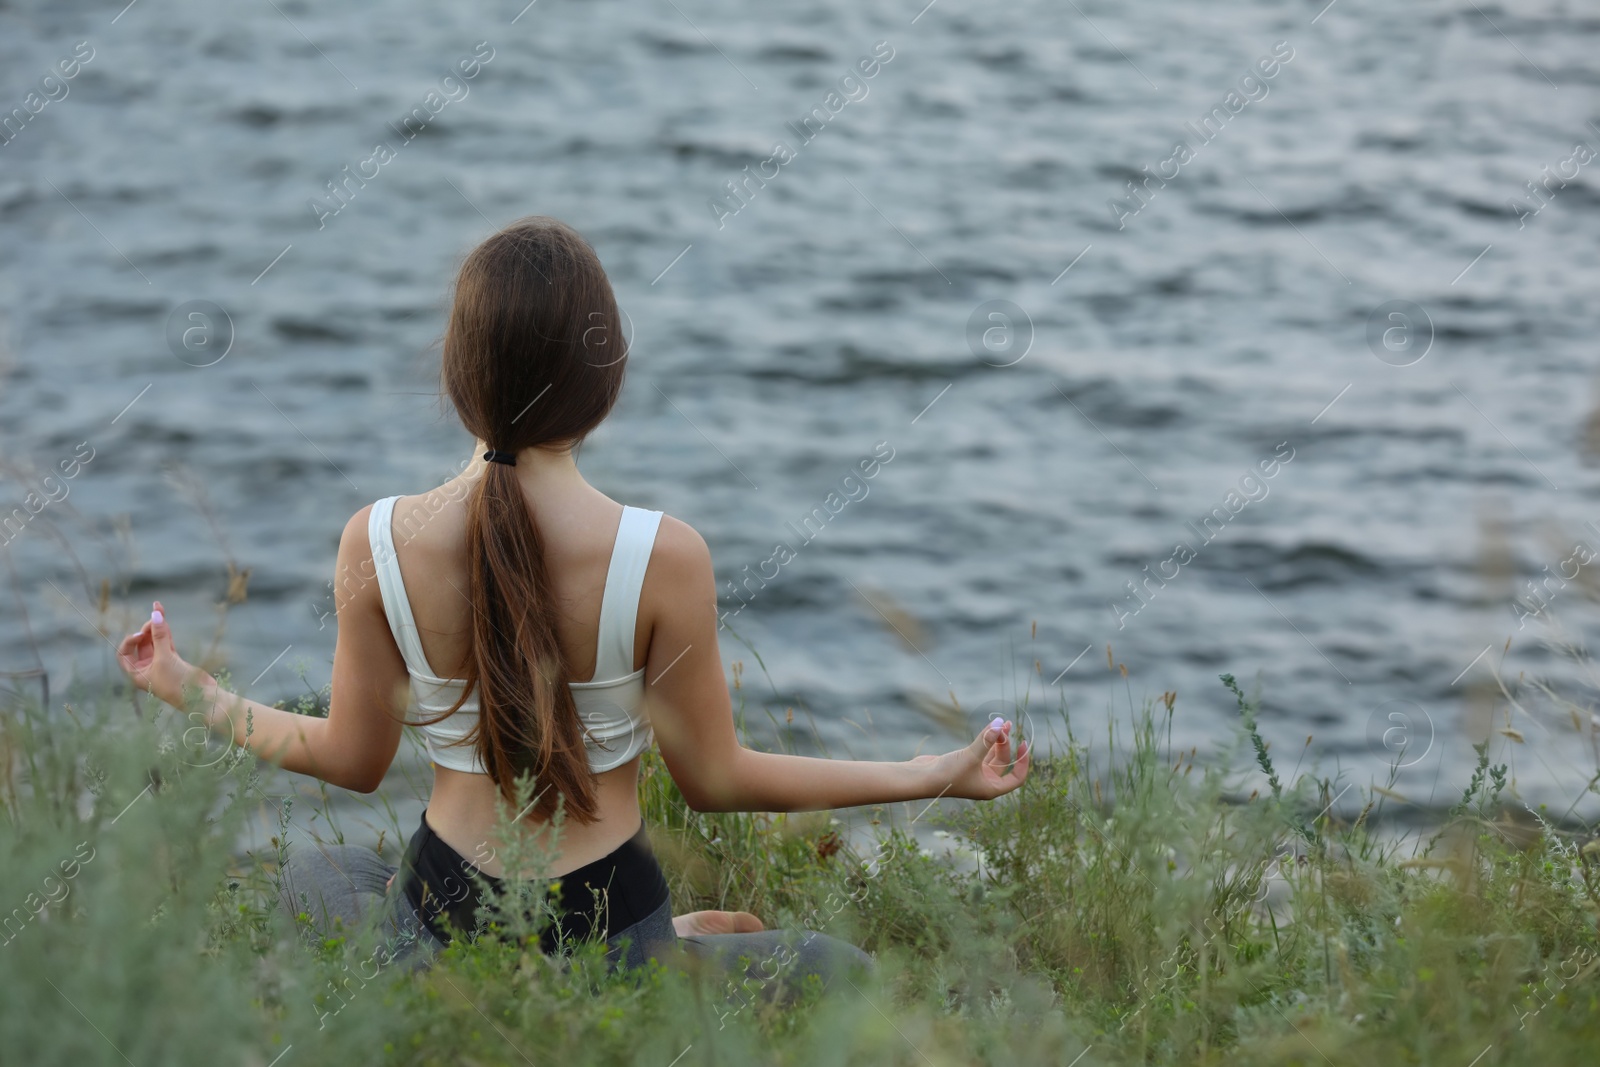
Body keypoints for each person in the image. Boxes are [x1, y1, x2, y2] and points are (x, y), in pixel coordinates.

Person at [115, 216, 1031, 994]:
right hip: (609, 925)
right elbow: (716, 780)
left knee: (319, 878)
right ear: (608, 377)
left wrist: (185, 683)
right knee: (841, 972)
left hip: (442, 911)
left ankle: (547, 976)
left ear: (458, 374)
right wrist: (929, 772)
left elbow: (351, 760)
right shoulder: (663, 555)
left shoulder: (378, 538)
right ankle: (682, 954)